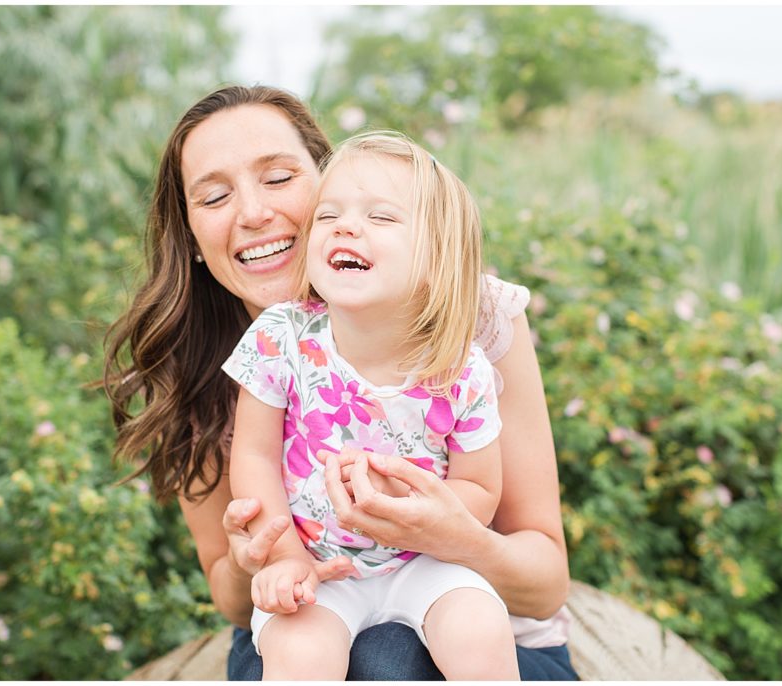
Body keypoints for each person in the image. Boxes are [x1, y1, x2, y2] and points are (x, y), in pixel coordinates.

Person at [103, 85, 577, 680]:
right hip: (312, 594)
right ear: (192, 236)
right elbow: (228, 595)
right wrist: (259, 559)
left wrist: (455, 535)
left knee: (393, 659)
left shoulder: (468, 318)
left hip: (482, 616)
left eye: (278, 179)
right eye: (216, 196)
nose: (252, 213)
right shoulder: (199, 368)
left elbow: (545, 585)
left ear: (330, 181)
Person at [224, 131, 517, 680]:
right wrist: (286, 557)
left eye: (380, 218)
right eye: (328, 215)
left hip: (424, 562)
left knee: (480, 626)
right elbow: (255, 458)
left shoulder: (461, 368)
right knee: (301, 653)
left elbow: (480, 488)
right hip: (317, 565)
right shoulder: (281, 338)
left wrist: (421, 517)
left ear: (437, 259)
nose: (345, 227)